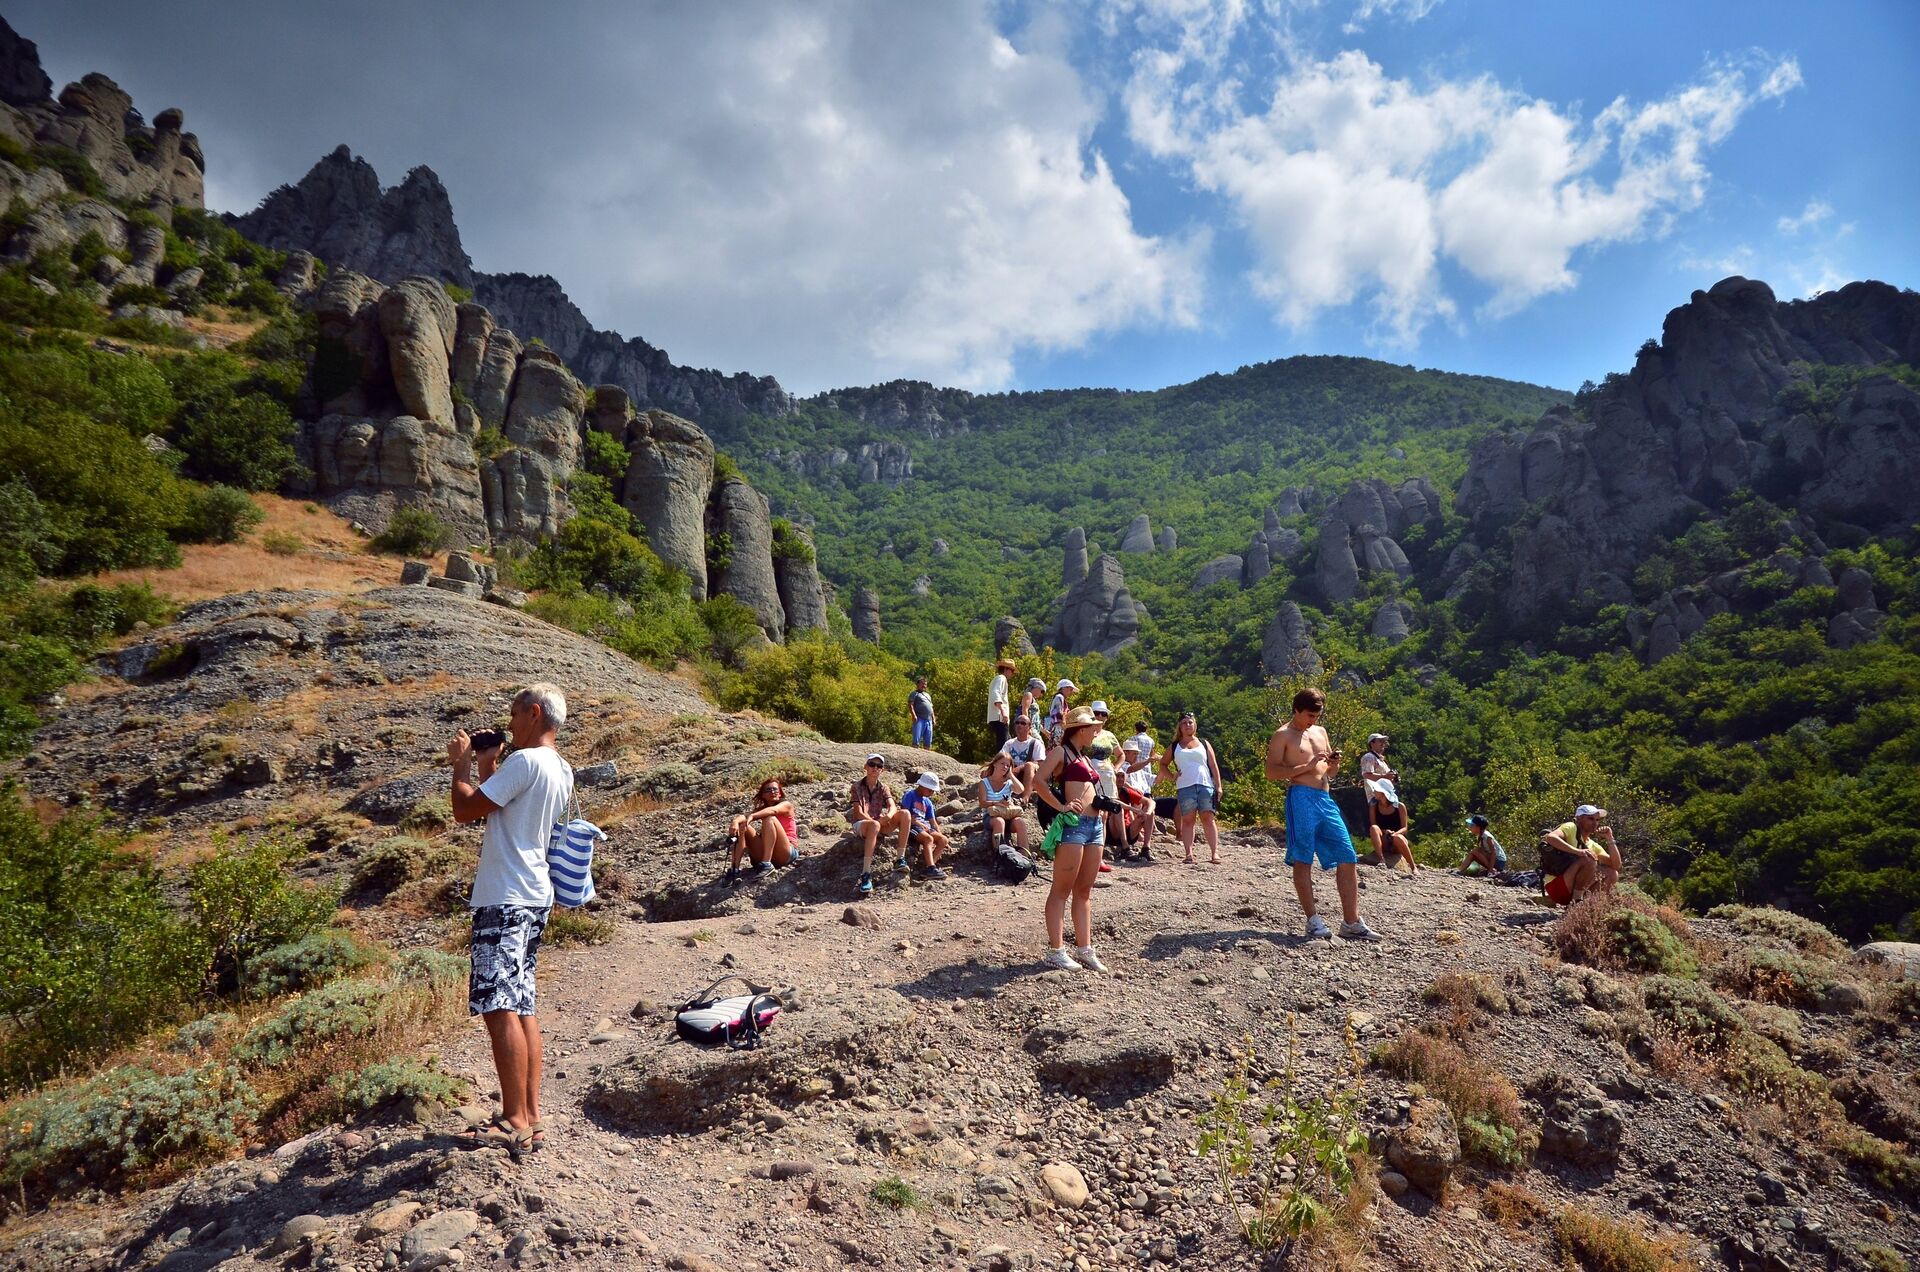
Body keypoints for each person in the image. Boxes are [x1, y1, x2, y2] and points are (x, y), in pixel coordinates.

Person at [448, 683, 575, 1153]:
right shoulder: (560, 768)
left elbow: (465, 809)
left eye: (515, 714)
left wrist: (461, 762)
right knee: (521, 1005)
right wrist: (487, 765)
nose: (510, 722)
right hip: (534, 895)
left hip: (505, 896)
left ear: (535, 712)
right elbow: (503, 807)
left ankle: (513, 1116)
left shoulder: (525, 763)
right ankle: (531, 1116)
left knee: (499, 1008)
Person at [1265, 687, 1381, 941]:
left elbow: (1330, 773)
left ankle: (1351, 921)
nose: (1313, 720)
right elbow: (1271, 773)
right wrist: (1305, 766)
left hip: (1324, 797)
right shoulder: (1282, 735)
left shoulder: (1320, 732)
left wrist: (1334, 764)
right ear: (1296, 710)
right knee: (1303, 856)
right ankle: (1313, 920)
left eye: (1317, 716)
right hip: (1301, 797)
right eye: (1309, 715)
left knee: (1347, 854)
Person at [1034, 706, 1109, 972]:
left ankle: (1084, 949)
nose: (1095, 732)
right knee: (1061, 889)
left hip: (1093, 826)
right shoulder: (1060, 752)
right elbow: (1037, 781)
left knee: (1084, 890)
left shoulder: (1084, 757)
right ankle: (1056, 950)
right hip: (1074, 825)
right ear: (1081, 729)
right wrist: (1061, 806)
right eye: (1092, 728)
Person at [1158, 712, 1223, 864]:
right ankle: (1189, 854)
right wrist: (1171, 776)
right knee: (1188, 820)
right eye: (1184, 723)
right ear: (1179, 727)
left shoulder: (1204, 743)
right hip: (1185, 786)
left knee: (1208, 818)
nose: (1188, 725)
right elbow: (1163, 764)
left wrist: (1218, 786)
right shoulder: (1175, 746)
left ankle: (1214, 853)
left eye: (1190, 722)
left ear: (1195, 725)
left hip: (1205, 784)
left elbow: (1213, 765)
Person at [849, 754, 912, 897]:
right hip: (862, 824)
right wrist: (874, 822)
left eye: (879, 766)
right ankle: (866, 873)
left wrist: (888, 816)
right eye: (872, 764)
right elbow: (858, 813)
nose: (875, 768)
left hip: (877, 823)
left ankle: (900, 858)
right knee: (874, 825)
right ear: (866, 766)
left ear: (882, 770)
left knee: (905, 814)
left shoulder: (883, 787)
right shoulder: (857, 786)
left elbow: (892, 806)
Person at [1541, 804, 1622, 905]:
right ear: (1579, 819)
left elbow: (1616, 866)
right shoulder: (1571, 827)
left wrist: (1610, 838)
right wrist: (1578, 851)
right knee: (1589, 858)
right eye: (1591, 819)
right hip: (1556, 885)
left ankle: (1587, 905)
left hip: (1570, 888)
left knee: (1612, 874)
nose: (1595, 823)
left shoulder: (1591, 844)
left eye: (1597, 820)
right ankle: (1577, 901)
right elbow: (1551, 837)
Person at [725, 778, 797, 885]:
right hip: (767, 853)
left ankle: (766, 864)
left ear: (780, 792)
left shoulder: (786, 805)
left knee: (769, 818)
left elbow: (773, 810)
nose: (772, 792)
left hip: (786, 852)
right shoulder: (762, 809)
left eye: (775, 789)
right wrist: (735, 822)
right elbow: (743, 816)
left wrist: (753, 816)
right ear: (763, 795)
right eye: (768, 790)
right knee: (743, 825)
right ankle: (734, 869)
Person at [1087, 700, 1122, 870]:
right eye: (1097, 713)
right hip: (1088, 774)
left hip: (1106, 775)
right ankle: (1086, 854)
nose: (1100, 716)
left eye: (1103, 714)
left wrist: (1116, 767)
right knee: (1089, 812)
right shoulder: (1085, 732)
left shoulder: (1109, 735)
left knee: (1104, 816)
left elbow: (1121, 754)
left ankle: (1098, 858)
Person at [900, 771, 951, 879]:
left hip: (925, 826)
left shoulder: (927, 802)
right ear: (921, 785)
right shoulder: (910, 795)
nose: (932, 792)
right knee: (928, 839)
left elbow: (933, 822)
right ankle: (930, 867)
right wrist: (918, 823)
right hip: (912, 826)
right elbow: (904, 814)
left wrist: (940, 834)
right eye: (930, 790)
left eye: (933, 790)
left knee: (943, 840)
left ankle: (929, 867)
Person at [978, 752, 1029, 851]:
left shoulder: (1009, 783)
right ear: (995, 763)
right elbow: (982, 803)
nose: (1005, 767)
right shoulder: (984, 782)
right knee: (999, 822)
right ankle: (1000, 855)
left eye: (1007, 765)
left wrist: (1010, 775)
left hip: (1008, 814)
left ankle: (1025, 856)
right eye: (1002, 764)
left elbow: (1020, 790)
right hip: (991, 816)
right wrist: (997, 803)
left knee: (1020, 822)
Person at [1367, 781, 1417, 873]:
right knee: (1374, 828)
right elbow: (1373, 825)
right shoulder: (1373, 806)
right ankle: (1381, 860)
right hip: (1384, 838)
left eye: (1376, 790)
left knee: (1398, 838)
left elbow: (1404, 828)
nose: (1374, 792)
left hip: (1397, 839)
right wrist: (1385, 831)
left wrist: (1395, 833)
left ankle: (1413, 867)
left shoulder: (1400, 806)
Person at [1119, 737, 1156, 860]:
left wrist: (1165, 768)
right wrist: (1148, 761)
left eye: (1136, 754)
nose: (1136, 756)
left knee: (1148, 806)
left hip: (1139, 798)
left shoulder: (1138, 770)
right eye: (1134, 753)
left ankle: (1146, 846)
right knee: (1140, 804)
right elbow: (1129, 771)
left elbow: (1155, 780)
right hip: (1131, 802)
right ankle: (1141, 843)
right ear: (1126, 753)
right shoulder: (1122, 767)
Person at [999, 713, 1047, 798]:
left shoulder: (1036, 743)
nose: (1019, 725)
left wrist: (1020, 768)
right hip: (1013, 775)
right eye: (1017, 722)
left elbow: (1040, 763)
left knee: (1029, 765)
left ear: (1029, 727)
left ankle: (1025, 798)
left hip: (1030, 776)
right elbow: (1000, 759)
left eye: (1023, 723)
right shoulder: (1009, 743)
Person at [986, 658, 1015, 755]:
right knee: (1003, 743)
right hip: (999, 717)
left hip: (997, 717)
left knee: (1005, 741)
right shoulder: (1001, 678)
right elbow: (996, 693)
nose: (1013, 673)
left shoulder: (999, 679)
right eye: (1012, 670)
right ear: (1006, 669)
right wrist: (1003, 711)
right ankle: (999, 765)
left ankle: (999, 764)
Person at [1360, 733, 1397, 800]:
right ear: (1372, 744)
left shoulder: (1380, 759)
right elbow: (1366, 775)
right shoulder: (1369, 757)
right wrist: (1385, 776)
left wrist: (1393, 779)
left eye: (1383, 741)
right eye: (1380, 741)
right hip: (1376, 797)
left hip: (1387, 797)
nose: (1383, 743)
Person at [908, 677, 936, 749]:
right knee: (916, 739)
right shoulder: (914, 694)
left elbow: (931, 707)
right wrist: (914, 715)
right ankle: (914, 753)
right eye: (922, 684)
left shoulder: (928, 695)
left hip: (929, 720)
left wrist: (933, 718)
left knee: (928, 740)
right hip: (919, 719)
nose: (924, 686)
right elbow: (910, 705)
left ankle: (927, 756)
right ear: (917, 684)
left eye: (925, 684)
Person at [1045, 678, 1076, 744]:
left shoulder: (1059, 697)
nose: (1071, 692)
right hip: (1058, 727)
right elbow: (1058, 714)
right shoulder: (1059, 697)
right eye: (1070, 689)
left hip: (1057, 727)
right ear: (1064, 688)